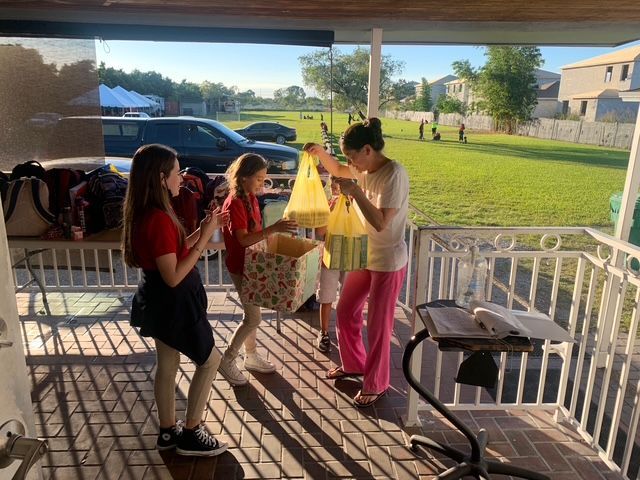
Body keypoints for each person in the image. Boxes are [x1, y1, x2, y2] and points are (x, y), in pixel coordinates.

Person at [122, 143, 228, 457]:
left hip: (156, 300)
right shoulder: (157, 218)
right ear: (160, 176)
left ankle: (168, 432)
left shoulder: (150, 212)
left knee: (168, 364)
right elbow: (173, 275)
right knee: (211, 360)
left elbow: (175, 250)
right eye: (176, 171)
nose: (181, 176)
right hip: (174, 303)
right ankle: (191, 433)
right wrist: (205, 239)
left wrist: (204, 229)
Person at [304, 117, 409, 408]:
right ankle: (354, 365)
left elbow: (380, 222)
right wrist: (319, 152)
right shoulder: (363, 168)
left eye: (353, 157)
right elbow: (337, 168)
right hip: (367, 255)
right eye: (348, 157)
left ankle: (376, 383)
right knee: (348, 308)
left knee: (378, 324)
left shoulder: (393, 174)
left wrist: (355, 191)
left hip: (389, 259)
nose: (352, 163)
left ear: (367, 149)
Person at [217, 153, 298, 386]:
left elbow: (256, 233)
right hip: (241, 267)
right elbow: (242, 240)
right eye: (259, 179)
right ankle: (228, 359)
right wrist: (274, 229)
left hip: (252, 266)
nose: (263, 183)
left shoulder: (250, 197)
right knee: (253, 318)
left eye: (264, 178)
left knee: (250, 316)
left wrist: (275, 232)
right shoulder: (235, 203)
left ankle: (250, 356)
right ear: (243, 178)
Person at [316, 176, 347, 352]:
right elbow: (320, 231)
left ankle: (346, 330)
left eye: (340, 188)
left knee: (348, 296)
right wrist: (329, 212)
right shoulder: (328, 205)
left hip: (351, 254)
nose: (337, 192)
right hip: (330, 255)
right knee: (326, 296)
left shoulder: (356, 206)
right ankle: (324, 332)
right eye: (334, 188)